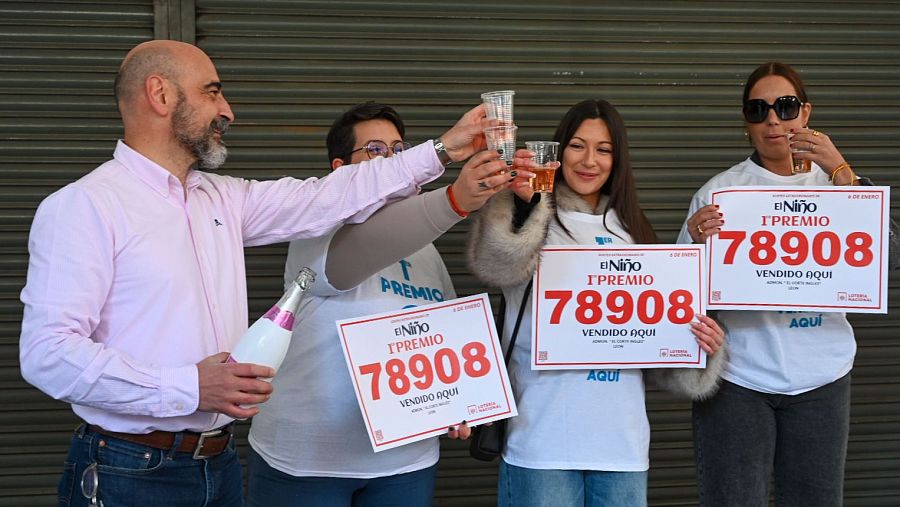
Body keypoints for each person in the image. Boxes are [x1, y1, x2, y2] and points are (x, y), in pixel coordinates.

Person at [18, 40, 498, 507]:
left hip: (218, 461)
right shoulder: (85, 206)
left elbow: (327, 196)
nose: (227, 110)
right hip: (129, 469)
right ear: (160, 94)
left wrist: (442, 149)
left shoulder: (222, 197)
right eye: (212, 92)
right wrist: (189, 386)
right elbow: (47, 354)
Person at [246, 101, 534, 507]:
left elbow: (446, 335)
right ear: (340, 169)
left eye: (400, 150)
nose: (396, 162)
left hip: (406, 463)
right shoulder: (315, 229)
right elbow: (356, 255)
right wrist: (454, 199)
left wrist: (460, 402)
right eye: (376, 151)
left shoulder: (424, 248)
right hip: (309, 461)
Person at [467, 99, 726, 507]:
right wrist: (527, 202)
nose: (589, 161)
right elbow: (496, 264)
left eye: (604, 149)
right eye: (577, 146)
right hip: (542, 440)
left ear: (617, 159)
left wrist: (698, 344)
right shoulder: (530, 213)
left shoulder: (632, 230)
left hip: (622, 445)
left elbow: (653, 348)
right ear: (558, 151)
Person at [677, 61, 899, 507]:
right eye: (758, 110)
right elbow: (681, 294)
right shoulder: (721, 192)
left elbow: (888, 256)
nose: (773, 120)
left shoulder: (840, 186)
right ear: (746, 122)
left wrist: (842, 171)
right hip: (739, 379)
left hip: (822, 378)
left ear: (806, 112)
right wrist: (696, 242)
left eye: (786, 106)